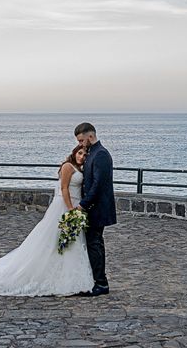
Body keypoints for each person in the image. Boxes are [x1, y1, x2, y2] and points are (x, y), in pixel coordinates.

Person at [0, 146, 93, 296]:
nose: (82, 156)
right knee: (53, 238)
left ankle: (70, 276)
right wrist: (70, 210)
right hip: (65, 206)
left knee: (70, 241)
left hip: (76, 205)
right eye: (80, 153)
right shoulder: (67, 166)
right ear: (74, 153)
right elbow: (63, 189)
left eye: (85, 155)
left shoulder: (79, 169)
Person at [74, 122, 116, 296]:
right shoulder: (93, 153)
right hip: (93, 207)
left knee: (95, 244)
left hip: (97, 209)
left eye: (82, 140)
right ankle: (94, 280)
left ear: (90, 137)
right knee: (93, 244)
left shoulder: (101, 155)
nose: (81, 145)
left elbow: (98, 184)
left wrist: (83, 204)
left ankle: (101, 283)